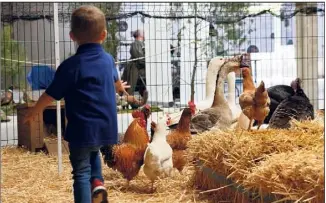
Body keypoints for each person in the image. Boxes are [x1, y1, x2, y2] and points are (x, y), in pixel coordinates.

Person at [23, 5, 129, 203]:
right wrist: (119, 87)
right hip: (106, 127)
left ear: (72, 36)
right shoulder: (108, 60)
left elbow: (50, 95)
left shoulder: (70, 66)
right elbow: (114, 83)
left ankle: (88, 194)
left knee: (80, 171)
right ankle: (97, 183)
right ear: (104, 35)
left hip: (81, 129)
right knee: (94, 151)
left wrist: (35, 111)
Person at [121, 29, 147, 109]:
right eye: (144, 33)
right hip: (134, 68)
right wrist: (148, 62)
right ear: (140, 35)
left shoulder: (140, 44)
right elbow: (139, 58)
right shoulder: (136, 44)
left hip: (138, 68)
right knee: (130, 87)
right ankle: (127, 102)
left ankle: (132, 102)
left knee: (139, 87)